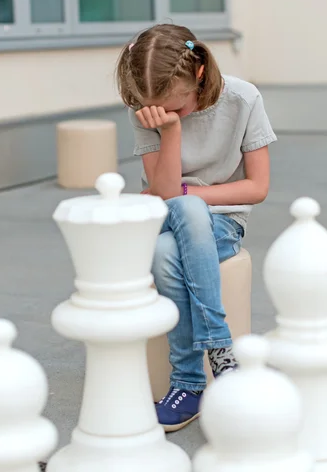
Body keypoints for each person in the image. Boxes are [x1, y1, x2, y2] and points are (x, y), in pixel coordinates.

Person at [116, 24, 276, 432]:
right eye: (159, 110)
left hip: (223, 221)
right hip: (170, 217)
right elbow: (165, 195)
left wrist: (189, 195)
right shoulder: (148, 110)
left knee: (164, 251)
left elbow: (257, 187)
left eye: (178, 108)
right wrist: (169, 130)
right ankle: (222, 352)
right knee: (181, 213)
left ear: (199, 72)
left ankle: (188, 384)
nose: (167, 114)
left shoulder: (243, 98)